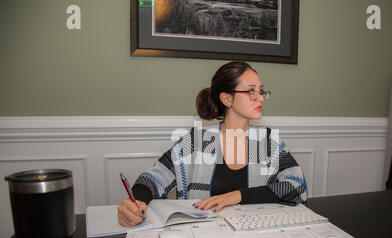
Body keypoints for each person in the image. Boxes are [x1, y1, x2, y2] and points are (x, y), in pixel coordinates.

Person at [117, 61, 308, 227]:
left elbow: (298, 186)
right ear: (226, 98)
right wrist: (135, 203)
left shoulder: (267, 142)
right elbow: (154, 178)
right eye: (251, 91)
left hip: (255, 236)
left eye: (261, 90)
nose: (259, 97)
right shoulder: (198, 141)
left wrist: (237, 196)